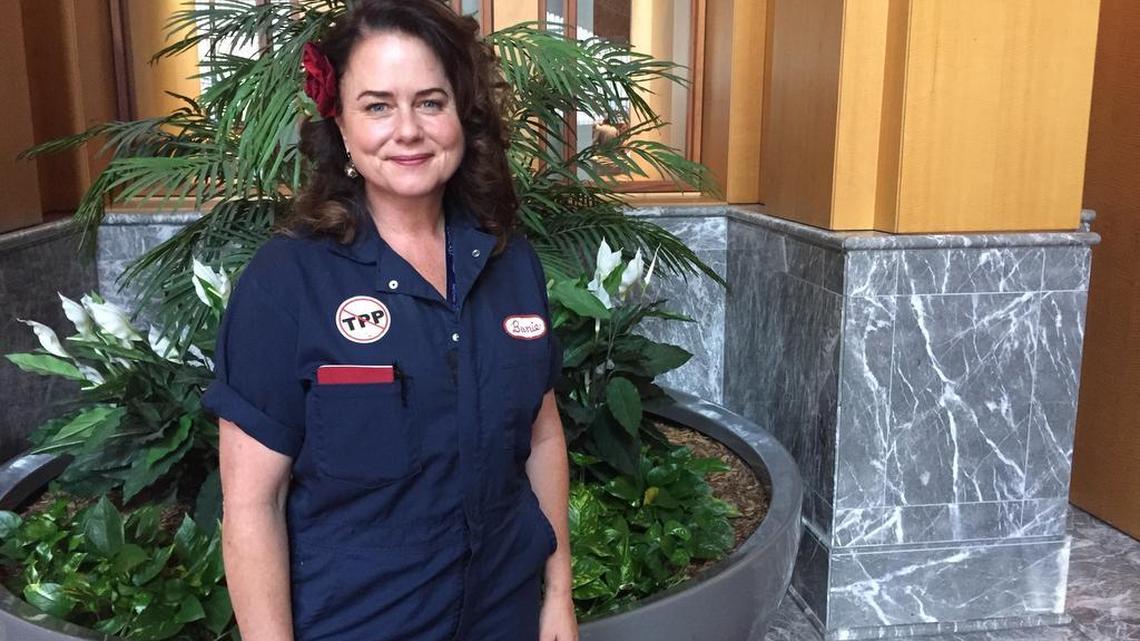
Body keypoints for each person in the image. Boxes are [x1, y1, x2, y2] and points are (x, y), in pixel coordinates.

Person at [200, 2, 578, 640]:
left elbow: (542, 438)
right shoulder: (287, 281)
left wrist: (558, 596)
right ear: (341, 126)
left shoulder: (511, 265)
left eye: (430, 102)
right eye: (377, 105)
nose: (408, 130)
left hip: (504, 614)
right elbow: (250, 504)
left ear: (463, 114)